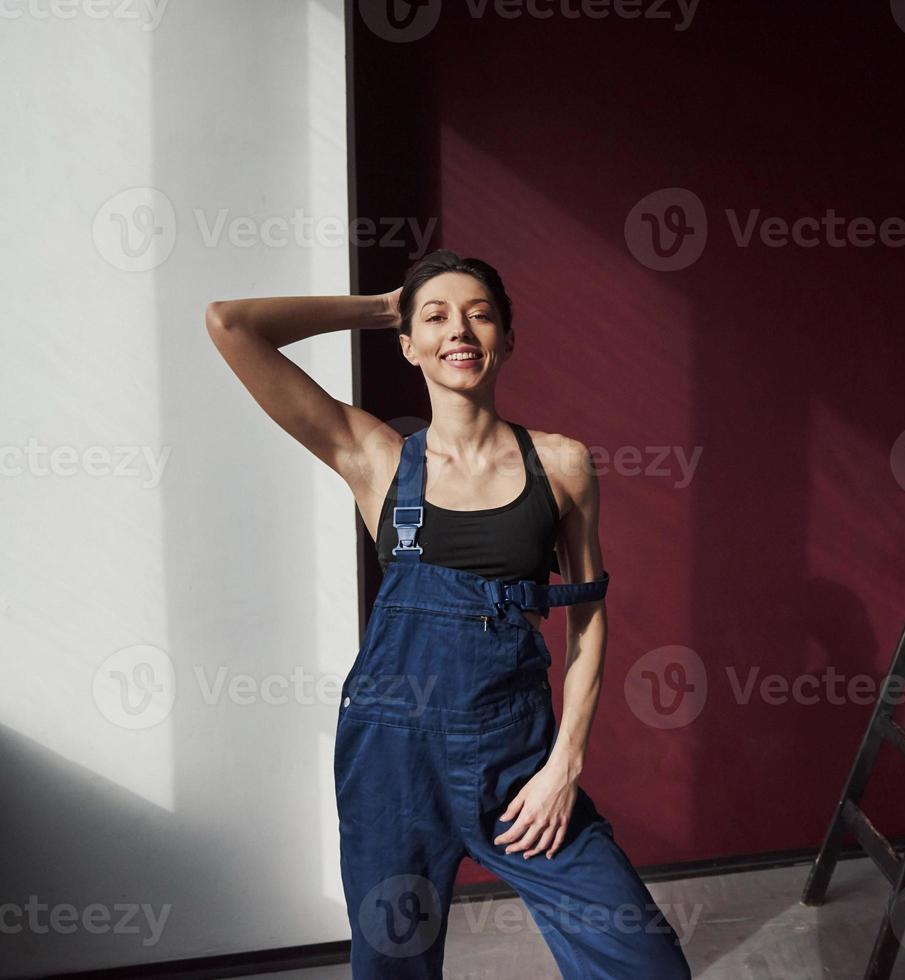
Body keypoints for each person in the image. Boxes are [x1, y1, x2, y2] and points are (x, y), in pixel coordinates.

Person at [206, 250, 692, 978]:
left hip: (514, 756)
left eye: (480, 314)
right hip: (390, 764)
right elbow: (232, 324)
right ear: (408, 345)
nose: (458, 330)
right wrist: (382, 306)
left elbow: (589, 624)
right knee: (392, 965)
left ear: (507, 337)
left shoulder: (560, 463)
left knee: (643, 961)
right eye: (435, 317)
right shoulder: (374, 459)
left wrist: (565, 765)